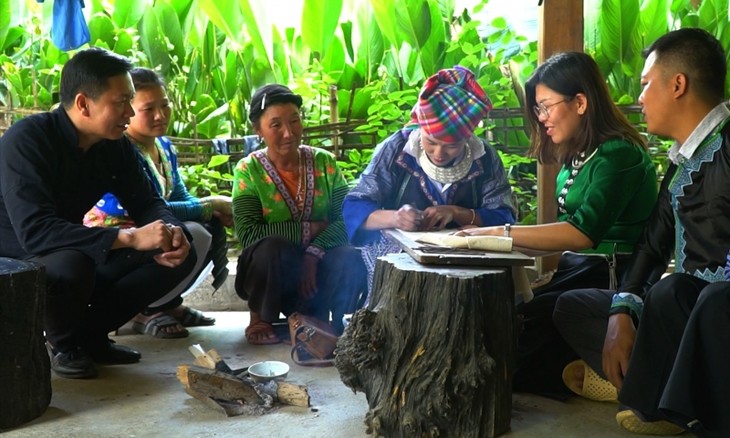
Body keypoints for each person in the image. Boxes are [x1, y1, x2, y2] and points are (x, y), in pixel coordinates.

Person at [553, 28, 730, 436]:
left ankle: (665, 396)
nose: (640, 98)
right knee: (648, 296)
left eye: (646, 85)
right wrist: (622, 310)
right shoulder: (682, 162)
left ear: (678, 85)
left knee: (714, 301)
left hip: (723, 314)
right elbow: (652, 246)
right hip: (694, 312)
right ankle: (665, 400)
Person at [458, 52, 658, 397]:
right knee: (510, 322)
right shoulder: (576, 156)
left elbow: (581, 233)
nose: (542, 118)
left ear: (580, 102)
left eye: (546, 106)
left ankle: (609, 376)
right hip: (578, 269)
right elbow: (564, 234)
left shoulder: (619, 155)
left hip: (610, 274)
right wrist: (492, 242)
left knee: (518, 339)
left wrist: (497, 232)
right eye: (538, 109)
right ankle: (584, 371)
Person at [0, 47, 197, 379]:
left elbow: (147, 202)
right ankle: (65, 346)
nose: (129, 114)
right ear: (83, 103)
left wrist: (171, 230)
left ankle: (91, 337)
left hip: (70, 246)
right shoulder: (28, 140)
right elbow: (36, 233)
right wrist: (130, 237)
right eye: (120, 103)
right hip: (17, 256)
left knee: (179, 247)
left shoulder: (114, 145)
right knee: (72, 264)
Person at [342, 65, 516, 299]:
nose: (439, 153)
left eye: (452, 145)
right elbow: (355, 206)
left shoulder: (485, 158)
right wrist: (396, 217)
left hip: (466, 263)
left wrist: (458, 213)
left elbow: (505, 217)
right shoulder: (396, 150)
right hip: (399, 261)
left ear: (467, 138)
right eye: (431, 141)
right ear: (420, 127)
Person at [84, 67, 230, 338]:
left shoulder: (163, 146)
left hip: (150, 233)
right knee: (191, 232)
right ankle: (145, 310)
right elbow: (143, 211)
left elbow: (177, 198)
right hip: (117, 246)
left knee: (205, 227)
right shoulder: (120, 151)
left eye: (164, 105)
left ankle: (168, 304)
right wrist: (212, 203)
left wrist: (211, 208)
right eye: (148, 109)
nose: (160, 115)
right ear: (127, 109)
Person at [232, 84, 367, 344]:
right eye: (276, 125)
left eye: (295, 121)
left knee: (348, 254)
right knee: (270, 247)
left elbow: (346, 219)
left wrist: (313, 253)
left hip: (315, 279)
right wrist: (311, 228)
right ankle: (260, 317)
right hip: (275, 275)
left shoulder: (324, 163)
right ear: (258, 130)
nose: (288, 133)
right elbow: (249, 233)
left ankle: (328, 317)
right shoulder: (248, 170)